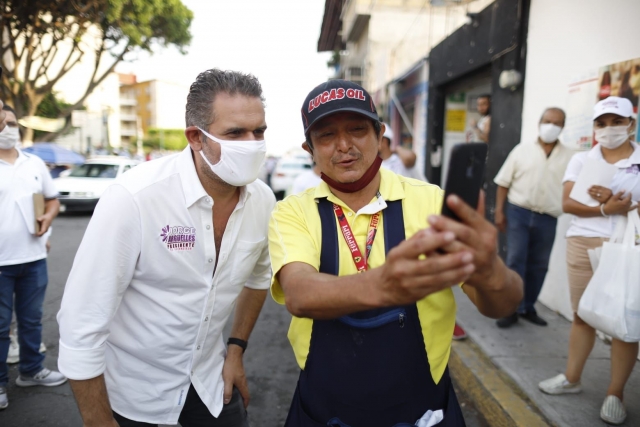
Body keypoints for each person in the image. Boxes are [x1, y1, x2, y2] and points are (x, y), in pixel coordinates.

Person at [268, 80, 523, 426]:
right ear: (310, 148)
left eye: (357, 130)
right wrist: (386, 285)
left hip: (423, 410)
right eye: (326, 135)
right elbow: (299, 293)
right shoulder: (293, 211)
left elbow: (501, 305)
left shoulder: (432, 202)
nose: (344, 145)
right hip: (323, 410)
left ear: (380, 136)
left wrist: (491, 271)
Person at [57, 69, 276, 427]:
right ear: (196, 138)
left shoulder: (263, 201)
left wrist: (236, 349)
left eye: (259, 131)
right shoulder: (135, 198)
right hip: (134, 397)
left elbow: (258, 277)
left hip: (210, 384)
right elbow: (82, 321)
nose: (252, 143)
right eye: (235, 133)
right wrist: (98, 420)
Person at [538, 97, 639, 425]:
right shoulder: (583, 161)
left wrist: (617, 203)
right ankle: (572, 378)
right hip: (582, 242)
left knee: (624, 323)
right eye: (601, 123)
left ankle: (615, 392)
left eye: (616, 122)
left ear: (631, 125)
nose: (608, 130)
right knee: (582, 315)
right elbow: (568, 203)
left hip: (626, 246)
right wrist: (605, 209)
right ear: (594, 128)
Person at [0, 103, 66, 411]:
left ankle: (31, 370)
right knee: (0, 327)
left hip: (33, 257)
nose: (8, 127)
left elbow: (51, 201)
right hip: (1, 262)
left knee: (30, 320)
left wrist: (48, 220)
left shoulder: (34, 163)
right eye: (2, 122)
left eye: (12, 122)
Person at [493, 107, 575, 328]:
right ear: (539, 122)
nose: (551, 126)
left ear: (563, 126)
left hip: (548, 217)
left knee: (539, 265)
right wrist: (499, 212)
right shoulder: (522, 150)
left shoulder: (571, 156)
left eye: (557, 123)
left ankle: (527, 306)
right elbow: (503, 183)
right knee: (515, 261)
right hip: (519, 212)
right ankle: (509, 309)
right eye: (548, 121)